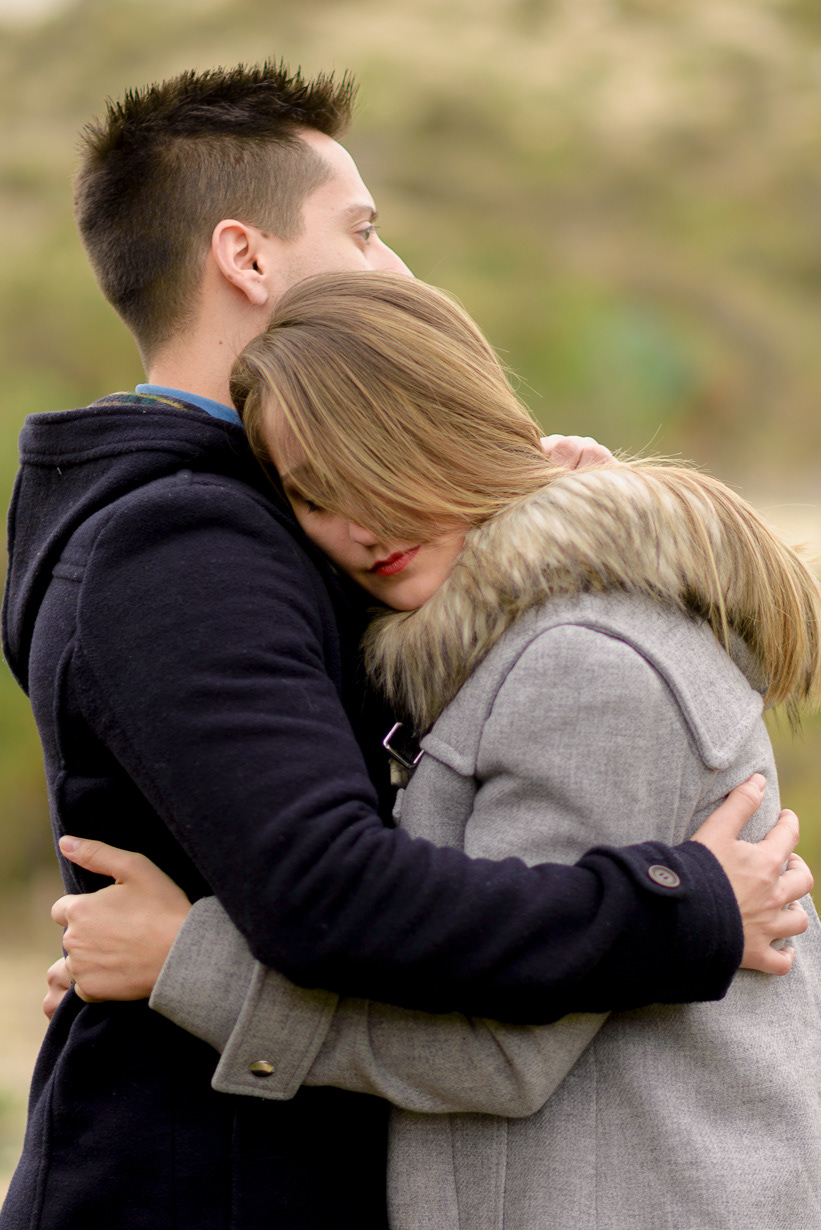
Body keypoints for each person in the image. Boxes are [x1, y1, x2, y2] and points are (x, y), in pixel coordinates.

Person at [0, 64, 810, 1230]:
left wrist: (538, 508)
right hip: (208, 1192)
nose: (394, 268)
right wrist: (682, 910)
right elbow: (326, 889)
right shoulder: (188, 539)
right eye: (362, 230)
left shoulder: (334, 550)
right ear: (245, 257)